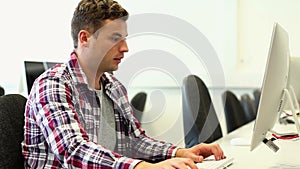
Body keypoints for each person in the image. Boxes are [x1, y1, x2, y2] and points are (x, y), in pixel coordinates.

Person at [22, 0, 226, 168]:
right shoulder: (52, 84)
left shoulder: (113, 86)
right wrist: (142, 167)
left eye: (125, 39)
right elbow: (73, 150)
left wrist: (181, 152)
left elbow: (135, 141)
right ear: (84, 38)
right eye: (115, 38)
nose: (126, 48)